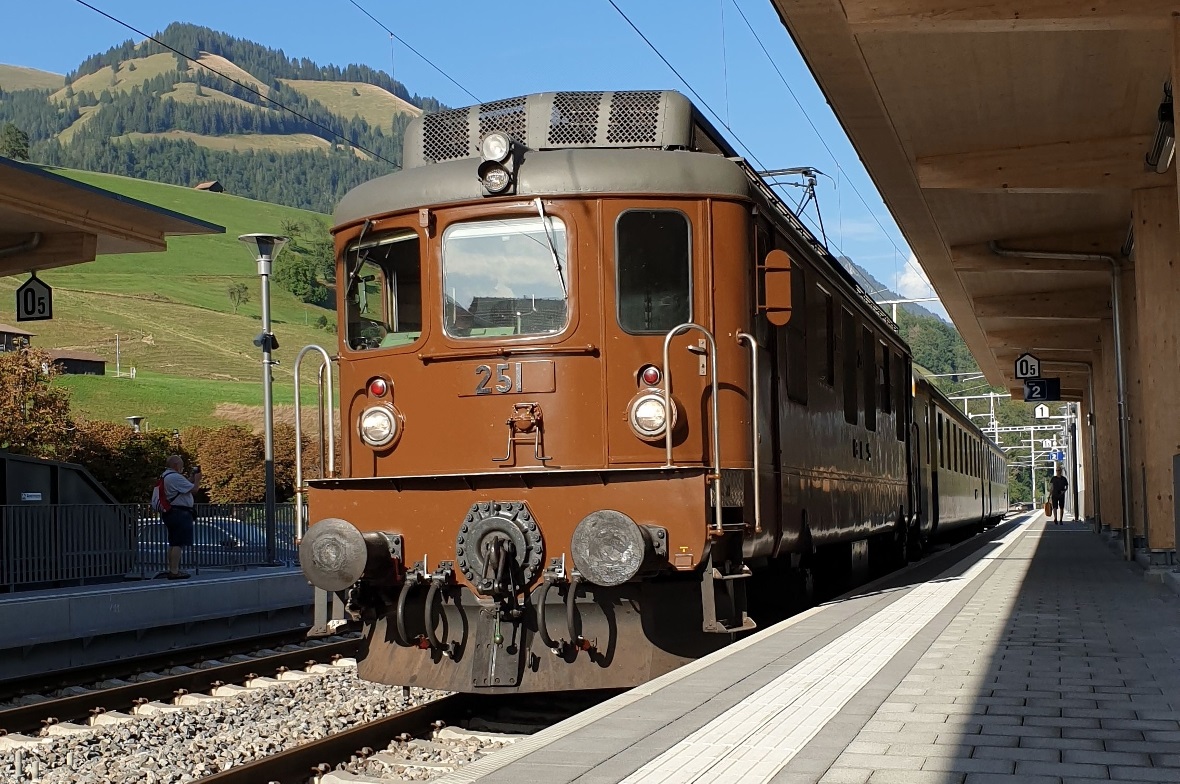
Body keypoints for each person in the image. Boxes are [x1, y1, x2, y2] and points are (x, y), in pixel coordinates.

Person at [160, 455, 201, 579]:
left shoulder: (165, 476)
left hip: (171, 512)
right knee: (178, 543)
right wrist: (198, 480)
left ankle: (172, 568)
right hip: (180, 513)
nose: (182, 467)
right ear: (176, 465)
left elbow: (183, 486)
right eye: (181, 465)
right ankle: (174, 571)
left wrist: (191, 478)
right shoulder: (175, 477)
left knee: (173, 542)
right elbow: (194, 490)